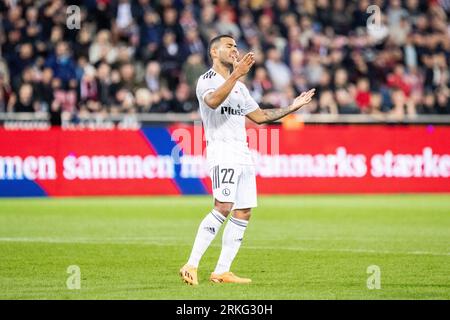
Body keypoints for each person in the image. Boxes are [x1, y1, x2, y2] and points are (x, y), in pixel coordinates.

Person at [179, 35, 315, 285]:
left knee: (243, 211)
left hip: (242, 152)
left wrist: (293, 107)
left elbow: (261, 116)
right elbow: (212, 101)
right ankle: (191, 264)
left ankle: (221, 271)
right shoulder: (206, 81)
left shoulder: (240, 87)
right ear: (213, 51)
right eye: (229, 46)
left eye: (236, 46)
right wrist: (237, 74)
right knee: (223, 206)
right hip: (222, 152)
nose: (234, 50)